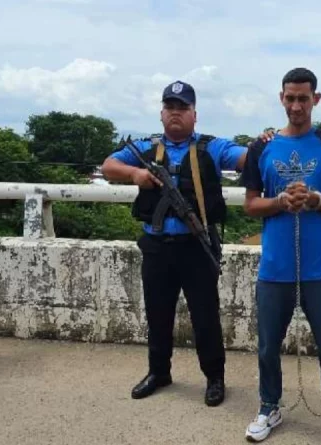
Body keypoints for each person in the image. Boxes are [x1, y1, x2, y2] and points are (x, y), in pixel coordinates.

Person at [101, 80, 247, 407]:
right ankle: (158, 372)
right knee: (158, 312)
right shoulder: (146, 147)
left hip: (197, 247)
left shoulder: (211, 148)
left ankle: (214, 377)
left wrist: (267, 146)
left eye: (182, 108)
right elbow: (109, 165)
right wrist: (135, 175)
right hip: (157, 246)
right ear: (162, 113)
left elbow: (245, 159)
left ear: (195, 114)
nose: (176, 114)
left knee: (205, 315)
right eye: (170, 108)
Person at [240, 67, 321, 445]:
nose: (296, 105)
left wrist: (315, 200)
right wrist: (279, 201)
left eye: (303, 98)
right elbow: (250, 205)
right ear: (281, 98)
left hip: (319, 267)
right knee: (267, 345)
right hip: (275, 265)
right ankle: (268, 406)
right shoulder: (263, 146)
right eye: (290, 98)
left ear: (316, 100)